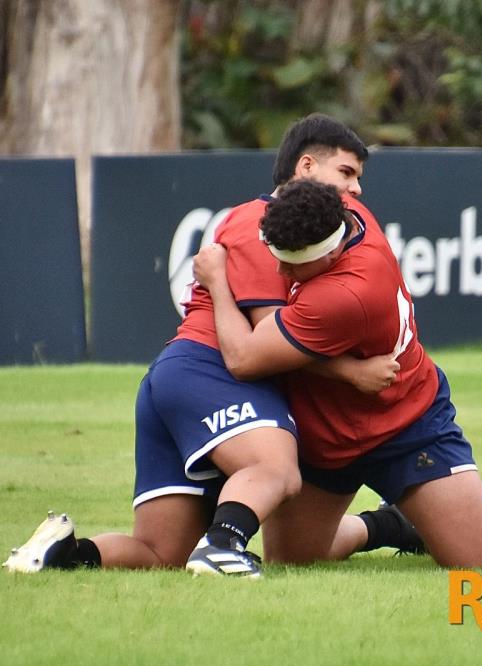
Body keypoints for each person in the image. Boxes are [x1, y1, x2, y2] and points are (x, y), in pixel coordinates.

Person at [3, 116, 413, 578]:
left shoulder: (302, 230)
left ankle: (61, 554)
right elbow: (264, 345)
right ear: (305, 167)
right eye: (346, 173)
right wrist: (351, 372)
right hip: (210, 370)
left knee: (160, 552)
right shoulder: (263, 224)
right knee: (276, 469)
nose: (356, 188)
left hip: (177, 379)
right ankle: (222, 546)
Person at [193, 177, 482, 568]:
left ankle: (470, 507)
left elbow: (244, 358)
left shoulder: (345, 294)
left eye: (292, 262)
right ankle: (387, 525)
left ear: (330, 254)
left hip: (403, 423)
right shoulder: (345, 212)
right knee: (291, 560)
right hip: (324, 432)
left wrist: (216, 282)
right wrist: (351, 371)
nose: (279, 269)